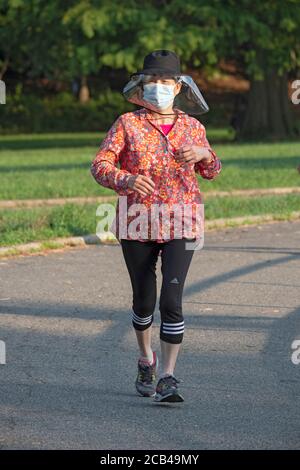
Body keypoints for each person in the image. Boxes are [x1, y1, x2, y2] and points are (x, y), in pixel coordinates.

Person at [90, 50, 222, 403]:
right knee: (145, 299)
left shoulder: (194, 127)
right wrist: (126, 179)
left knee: (172, 301)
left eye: (165, 82)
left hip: (182, 221)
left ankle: (168, 376)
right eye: (152, 82)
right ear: (142, 85)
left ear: (178, 87)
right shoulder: (126, 124)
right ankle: (146, 359)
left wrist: (204, 155)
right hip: (137, 223)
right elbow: (100, 165)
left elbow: (211, 170)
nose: (158, 88)